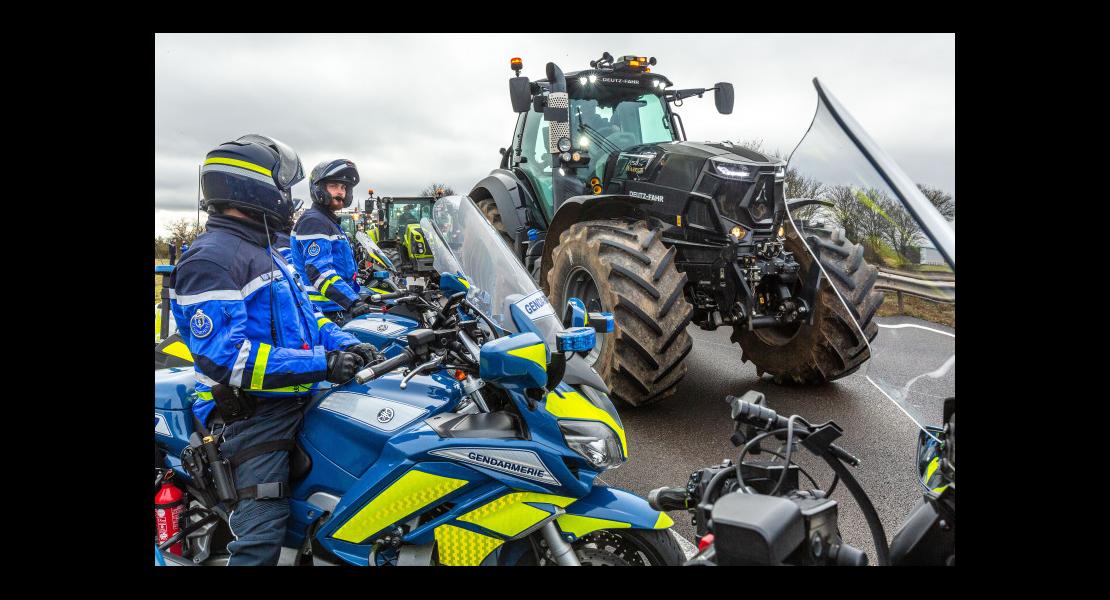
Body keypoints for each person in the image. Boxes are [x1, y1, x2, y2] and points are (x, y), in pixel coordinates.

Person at [169, 134, 379, 566]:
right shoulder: (212, 260)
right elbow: (229, 359)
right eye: (284, 188)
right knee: (263, 532)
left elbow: (311, 320)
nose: (289, 199)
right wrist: (323, 363)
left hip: (296, 394)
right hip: (251, 414)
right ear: (252, 187)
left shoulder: (266, 251)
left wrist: (349, 343)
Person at [291, 159, 371, 326]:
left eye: (344, 188)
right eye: (334, 186)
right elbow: (318, 271)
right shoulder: (314, 222)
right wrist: (352, 302)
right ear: (318, 188)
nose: (340, 192)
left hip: (335, 307)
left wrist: (359, 294)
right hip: (325, 313)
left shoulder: (329, 222)